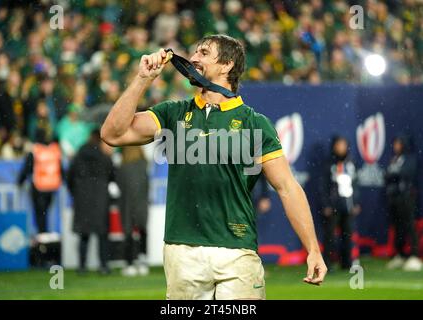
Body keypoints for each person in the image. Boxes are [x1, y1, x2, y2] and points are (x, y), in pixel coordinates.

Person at [101, 34, 327, 299]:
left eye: (204, 53)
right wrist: (142, 79)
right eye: (195, 52)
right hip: (182, 250)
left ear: (227, 65)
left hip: (236, 251)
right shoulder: (173, 113)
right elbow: (113, 134)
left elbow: (287, 187)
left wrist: (312, 248)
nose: (194, 58)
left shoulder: (255, 123)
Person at [67, 129, 115, 275]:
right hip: (101, 200)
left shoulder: (78, 156)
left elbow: (69, 177)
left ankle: (82, 266)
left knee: (84, 235)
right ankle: (104, 266)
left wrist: (76, 193)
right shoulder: (105, 157)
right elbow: (113, 176)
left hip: (82, 200)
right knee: (102, 236)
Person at [320, 136, 361, 272]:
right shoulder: (328, 164)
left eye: (343, 145)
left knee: (347, 235)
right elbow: (323, 185)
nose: (341, 148)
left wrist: (356, 202)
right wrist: (326, 204)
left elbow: (356, 184)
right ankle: (327, 263)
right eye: (338, 145)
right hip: (333, 206)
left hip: (348, 205)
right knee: (330, 237)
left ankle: (347, 262)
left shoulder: (351, 163)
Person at [385, 135, 422, 271]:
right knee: (398, 227)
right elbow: (387, 174)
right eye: (394, 144)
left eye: (398, 144)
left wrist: (394, 173)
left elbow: (406, 173)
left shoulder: (410, 158)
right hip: (395, 198)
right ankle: (400, 255)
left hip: (407, 198)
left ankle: (414, 256)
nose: (396, 146)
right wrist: (394, 173)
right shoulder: (395, 159)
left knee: (410, 226)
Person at [17, 128, 64, 234]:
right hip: (52, 187)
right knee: (47, 213)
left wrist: (19, 182)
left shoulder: (35, 150)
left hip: (39, 188)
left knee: (40, 214)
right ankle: (46, 236)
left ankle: (42, 236)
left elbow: (27, 169)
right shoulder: (54, 149)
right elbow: (60, 168)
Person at [117, 146, 150, 277]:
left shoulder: (123, 167)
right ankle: (142, 261)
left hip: (127, 204)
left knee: (128, 233)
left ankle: (129, 263)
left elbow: (120, 186)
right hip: (141, 204)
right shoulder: (143, 165)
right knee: (142, 231)